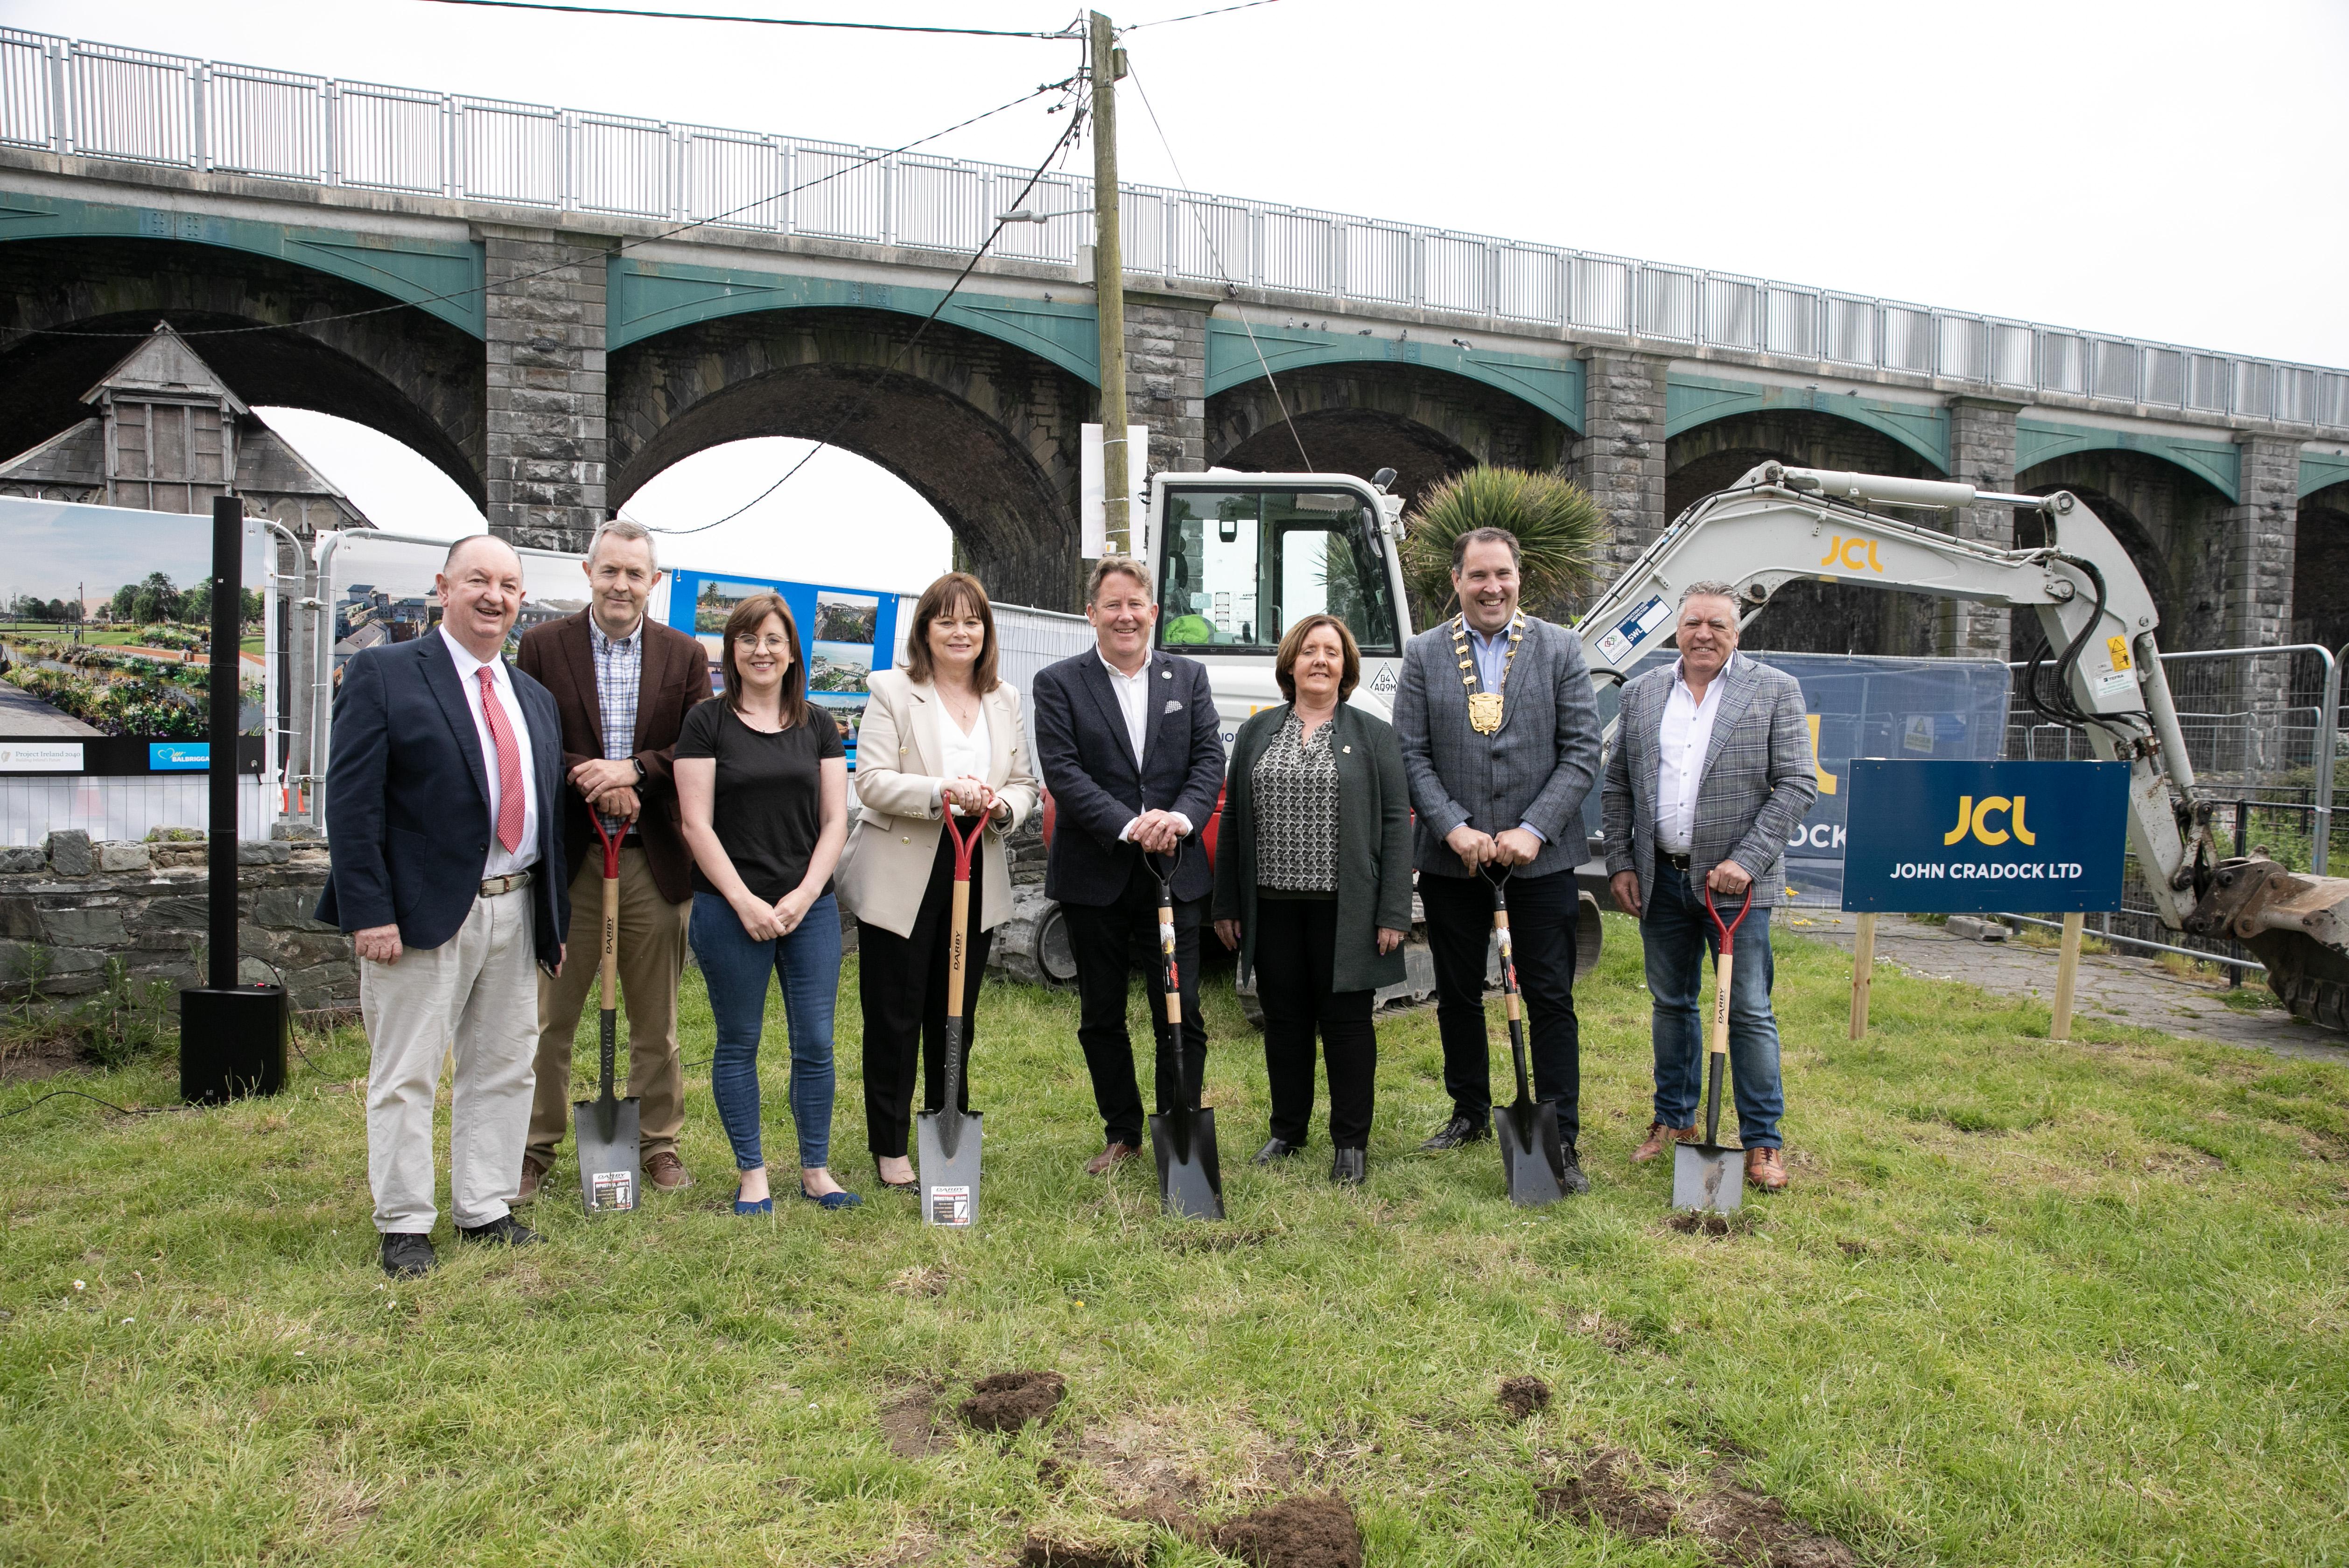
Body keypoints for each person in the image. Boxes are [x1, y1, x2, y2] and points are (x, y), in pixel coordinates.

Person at [319, 535, 568, 1279]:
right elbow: (352, 802)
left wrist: (549, 920)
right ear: (443, 588)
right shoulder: (384, 673)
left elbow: (546, 819)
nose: (496, 596)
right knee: (407, 1073)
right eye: (479, 581)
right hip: (422, 915)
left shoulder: (534, 698)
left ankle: (485, 1206)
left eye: (510, 585)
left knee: (503, 1068)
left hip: (515, 908)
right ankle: (403, 1222)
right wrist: (370, 912)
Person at [1391, 526, 1603, 1187]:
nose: (1492, 587)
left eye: (1502, 575)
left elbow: (1581, 752)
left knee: (1548, 995)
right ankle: (1469, 1111)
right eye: (1478, 576)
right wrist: (1452, 827)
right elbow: (1411, 754)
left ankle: (1559, 1133)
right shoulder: (1424, 654)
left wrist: (1534, 829)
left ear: (1519, 578)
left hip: (1539, 861)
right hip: (1454, 859)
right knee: (1457, 992)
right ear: (1456, 581)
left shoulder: (1561, 648)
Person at [514, 519, 711, 1203]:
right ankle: (533, 1149)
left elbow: (694, 747)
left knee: (655, 1020)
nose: (621, 585)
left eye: (635, 573)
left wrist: (633, 774)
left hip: (651, 862)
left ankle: (659, 1144)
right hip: (571, 861)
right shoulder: (542, 647)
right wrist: (592, 777)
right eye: (610, 571)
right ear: (588, 573)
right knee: (552, 1018)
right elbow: (530, 739)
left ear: (653, 582)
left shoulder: (684, 655)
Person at [1603, 581, 1816, 1192]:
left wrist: (1746, 861)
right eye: (1694, 622)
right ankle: (1671, 1120)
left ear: (1737, 633)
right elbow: (1617, 785)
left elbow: (1797, 783)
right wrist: (1622, 861)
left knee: (1747, 1011)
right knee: (1671, 1005)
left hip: (1736, 890)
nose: (1704, 634)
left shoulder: (1774, 690)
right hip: (1660, 880)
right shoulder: (1644, 693)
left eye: (1718, 625)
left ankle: (1762, 1142)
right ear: (1677, 629)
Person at [837, 571, 1039, 1191]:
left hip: (973, 863)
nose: (961, 632)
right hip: (906, 867)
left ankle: (944, 1122)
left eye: (972, 621)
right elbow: (870, 780)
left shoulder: (1004, 699)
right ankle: (891, 1145)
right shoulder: (893, 692)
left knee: (956, 1012)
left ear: (986, 632)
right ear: (925, 629)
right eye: (947, 620)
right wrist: (941, 791)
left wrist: (1003, 807)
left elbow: (1024, 785)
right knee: (896, 1012)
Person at [1030, 555, 1225, 1176]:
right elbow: (1062, 771)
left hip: (1176, 869)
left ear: (1153, 612)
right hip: (1096, 874)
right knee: (1101, 1014)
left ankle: (1179, 1131)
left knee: (1182, 1005)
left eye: (1135, 604)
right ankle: (1123, 1133)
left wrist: (1180, 820)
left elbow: (1206, 762)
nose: (1125, 616)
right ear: (1092, 615)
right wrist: (1129, 825)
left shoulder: (1187, 678)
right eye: (1112, 605)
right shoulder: (1058, 684)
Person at [674, 591, 859, 1213]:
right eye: (749, 638)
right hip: (730, 909)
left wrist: (806, 895)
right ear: (731, 649)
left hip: (809, 910)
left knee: (815, 1042)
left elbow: (836, 820)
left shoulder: (818, 725)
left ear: (791, 652)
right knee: (739, 1041)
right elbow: (696, 825)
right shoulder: (706, 722)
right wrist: (745, 901)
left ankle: (815, 1169)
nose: (761, 650)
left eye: (774, 639)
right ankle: (752, 1172)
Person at [1212, 614, 1412, 1185]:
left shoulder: (1373, 736)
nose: (1319, 660)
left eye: (1331, 652)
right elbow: (1231, 824)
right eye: (1308, 651)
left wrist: (1393, 909)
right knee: (1285, 1022)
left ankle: (1350, 1144)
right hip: (1271, 906)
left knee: (1347, 1026)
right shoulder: (1257, 733)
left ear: (1346, 666)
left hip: (1345, 908)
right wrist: (1227, 904)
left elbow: (1397, 824)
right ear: (1290, 664)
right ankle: (1287, 1131)